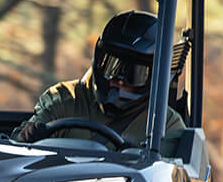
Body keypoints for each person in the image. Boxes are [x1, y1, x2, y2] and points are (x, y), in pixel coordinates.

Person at [15, 10, 186, 150]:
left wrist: (137, 163)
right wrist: (27, 138)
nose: (118, 81)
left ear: (153, 77)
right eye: (111, 67)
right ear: (99, 60)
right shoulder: (63, 100)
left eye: (134, 74)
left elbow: (170, 181)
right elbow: (15, 151)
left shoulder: (167, 125)